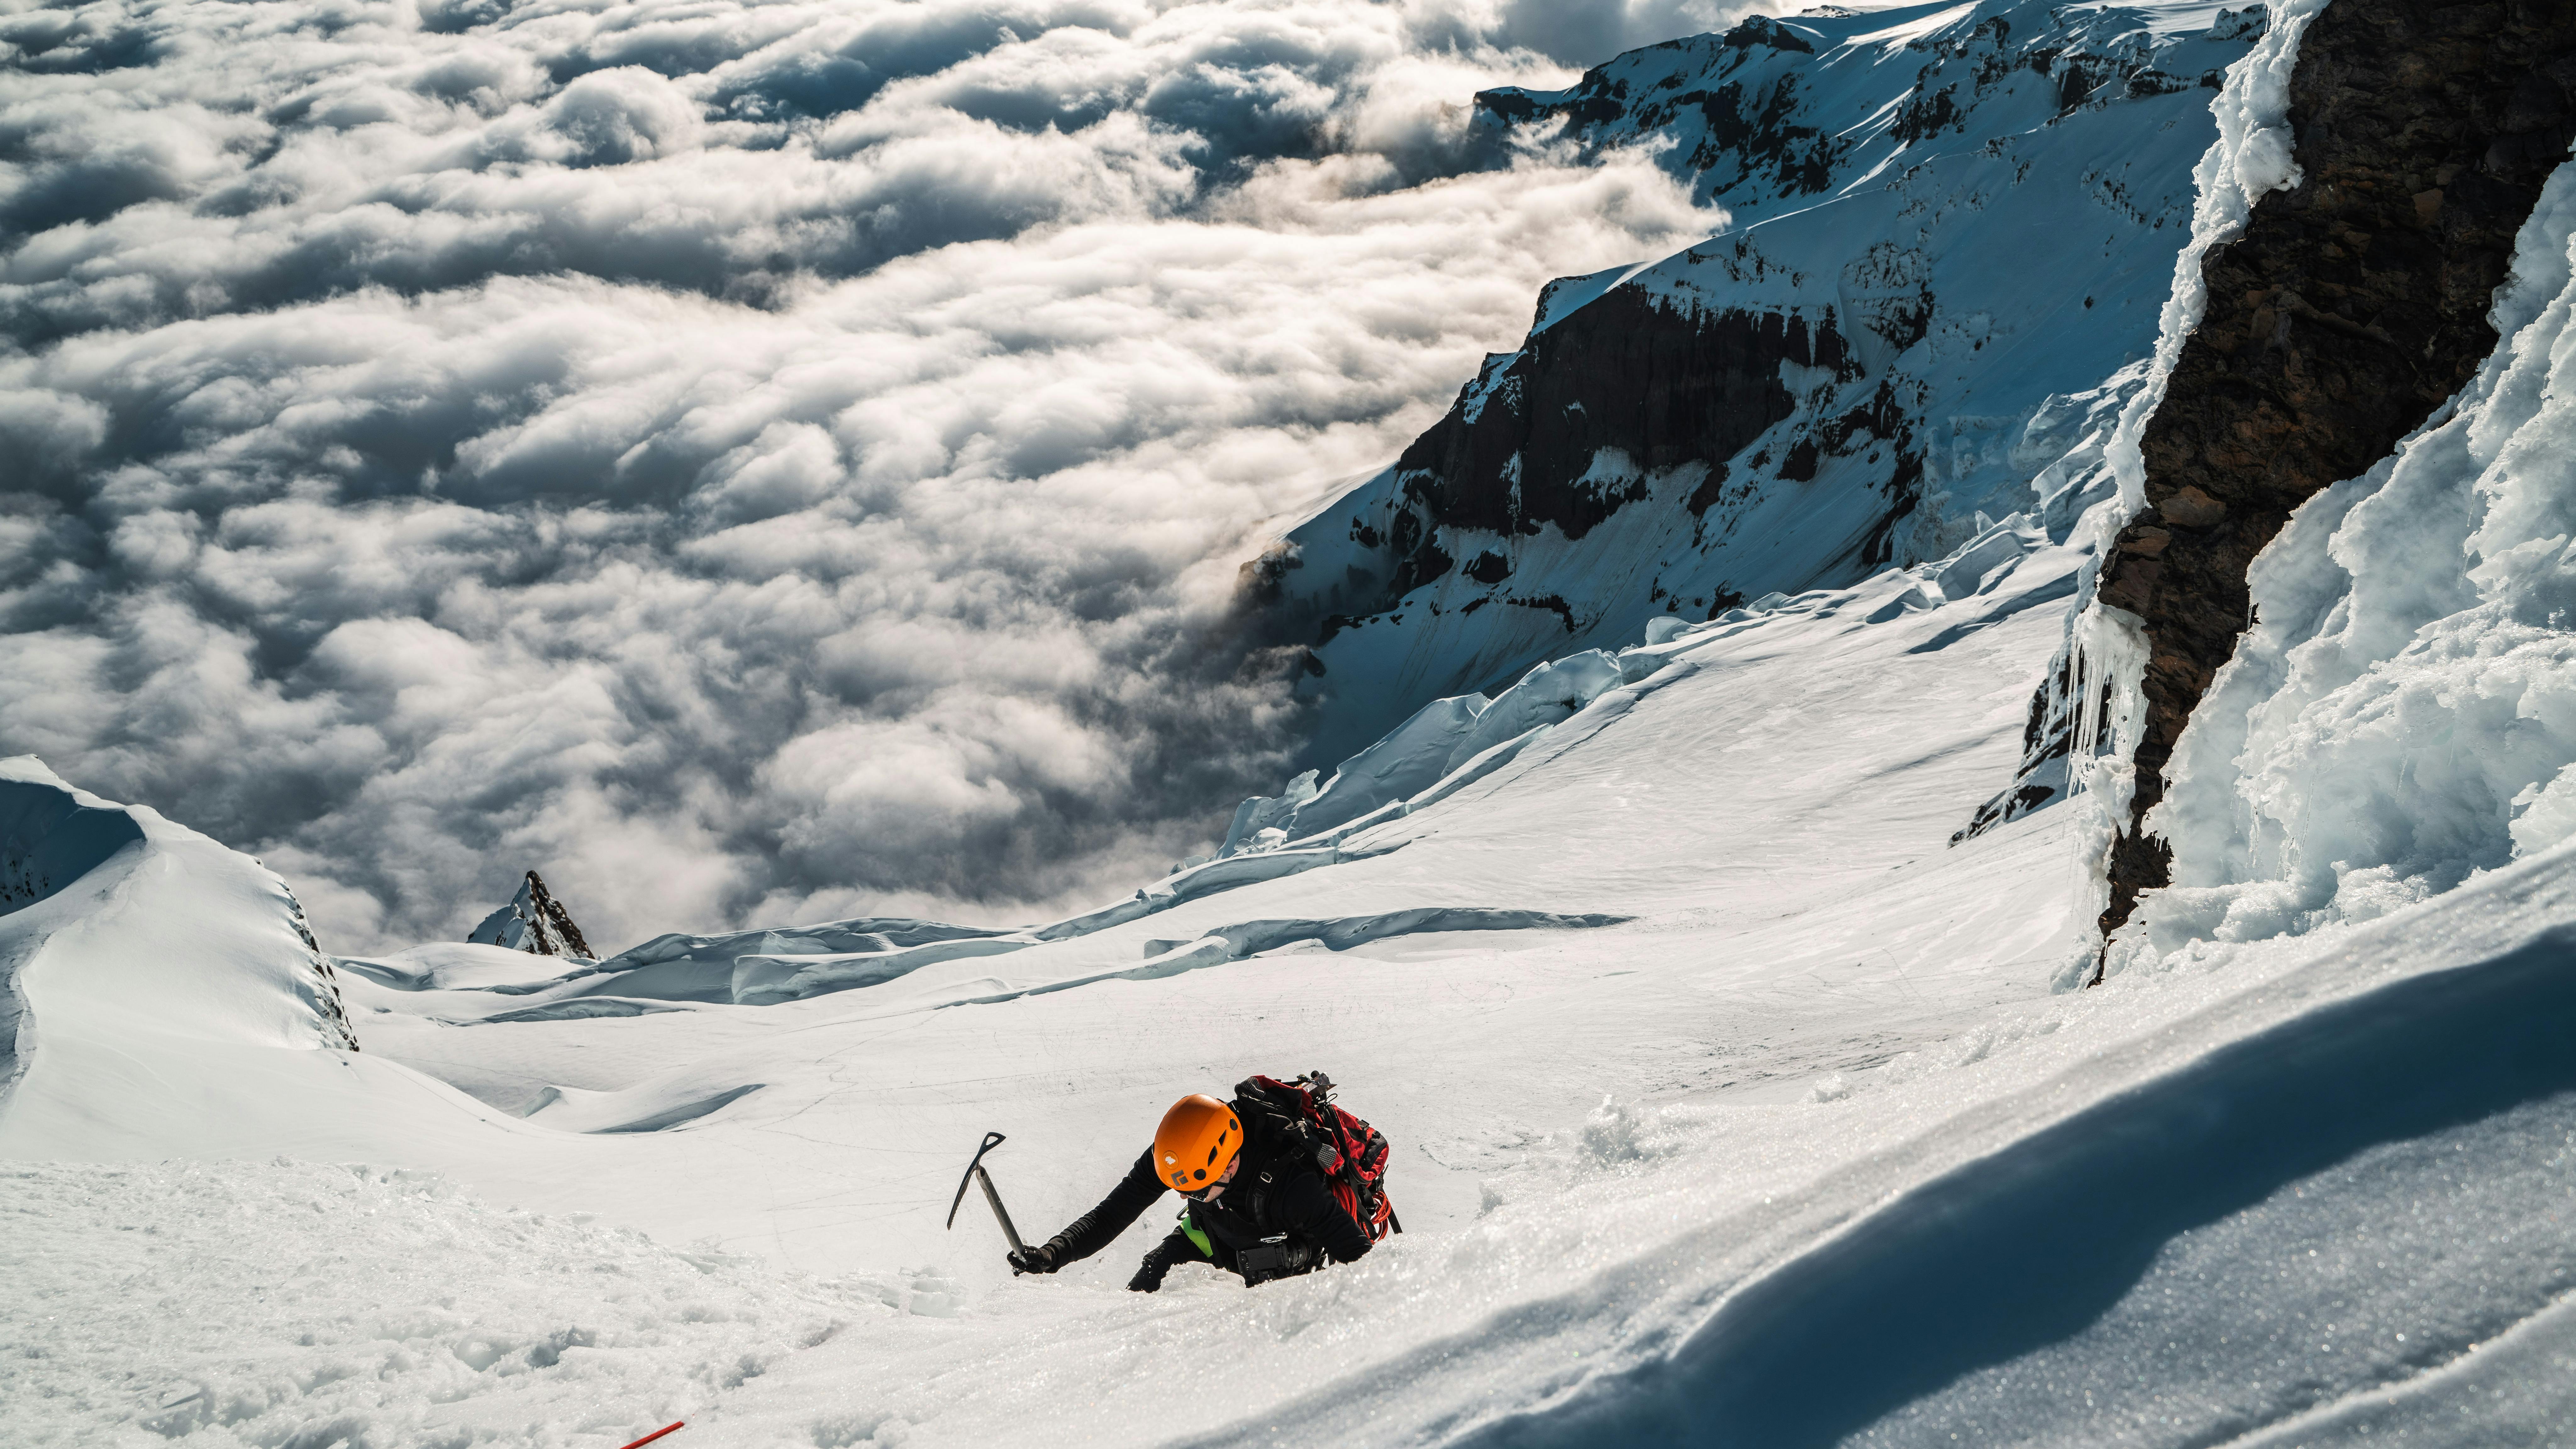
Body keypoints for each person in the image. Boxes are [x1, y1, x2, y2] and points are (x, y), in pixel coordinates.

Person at [1006, 1088, 1374, 1291]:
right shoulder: (1181, 1153)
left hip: (1282, 1256)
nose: (1184, 1197)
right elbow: (1112, 1214)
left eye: (1197, 1192)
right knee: (1147, 1285)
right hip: (1215, 1236)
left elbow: (1364, 1262)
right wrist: (1051, 1255)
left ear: (1230, 1164)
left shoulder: (1292, 1188)